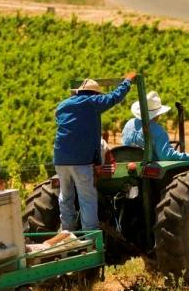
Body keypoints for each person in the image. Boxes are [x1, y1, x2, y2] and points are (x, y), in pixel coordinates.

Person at [54, 72, 136, 231]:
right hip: (81, 161)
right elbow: (114, 97)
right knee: (87, 199)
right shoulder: (92, 102)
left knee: (65, 197)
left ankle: (67, 233)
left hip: (60, 159)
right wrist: (126, 81)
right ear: (94, 94)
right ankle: (90, 238)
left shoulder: (62, 105)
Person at [121, 91, 189, 165]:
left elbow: (125, 146)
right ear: (157, 114)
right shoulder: (158, 131)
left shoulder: (129, 124)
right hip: (148, 169)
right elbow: (165, 156)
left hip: (126, 163)